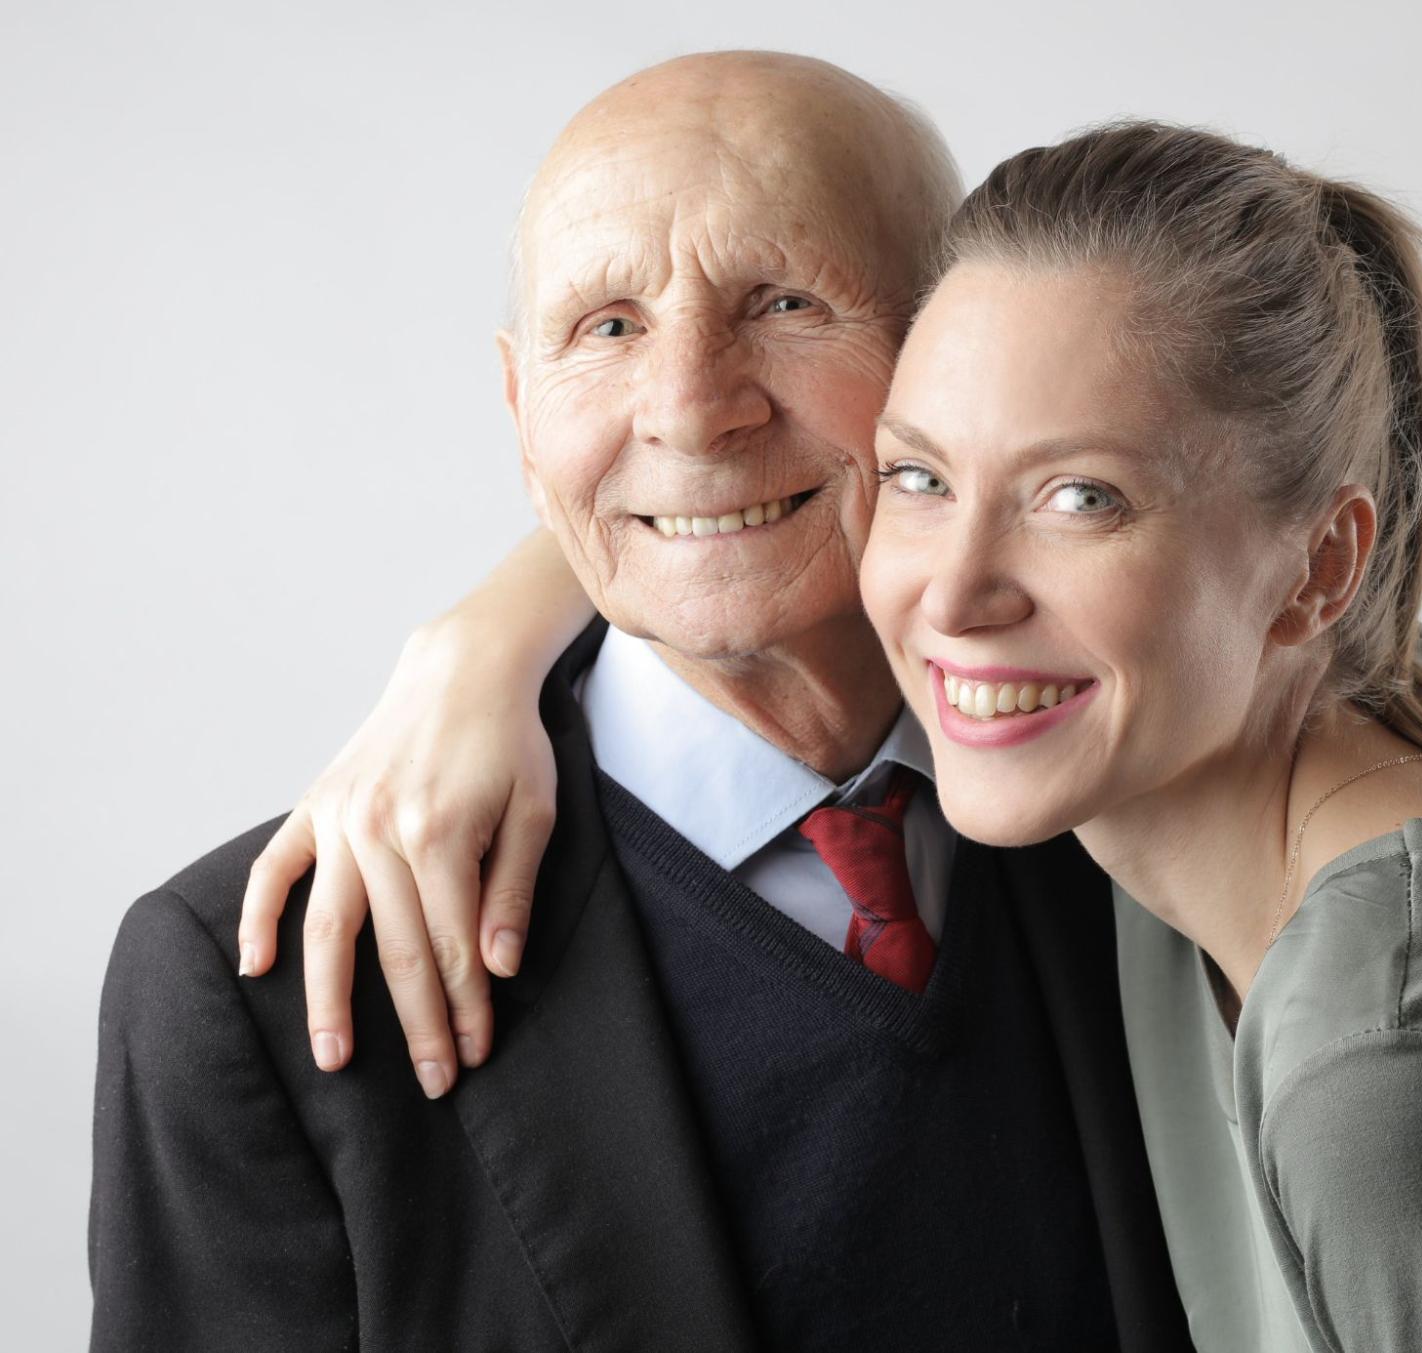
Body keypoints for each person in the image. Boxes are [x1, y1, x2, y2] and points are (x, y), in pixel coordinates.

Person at [224, 101, 1422, 1353]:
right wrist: (476, 642)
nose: (958, 586)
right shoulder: (1289, 730)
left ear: (1319, 564)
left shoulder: (1353, 1000)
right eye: (924, 478)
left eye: (1080, 498)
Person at [89, 53, 1187, 1352]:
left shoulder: (1157, 789)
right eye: (606, 327)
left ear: (943, 356)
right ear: (519, 407)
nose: (689, 410)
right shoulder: (256, 984)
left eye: (784, 300)